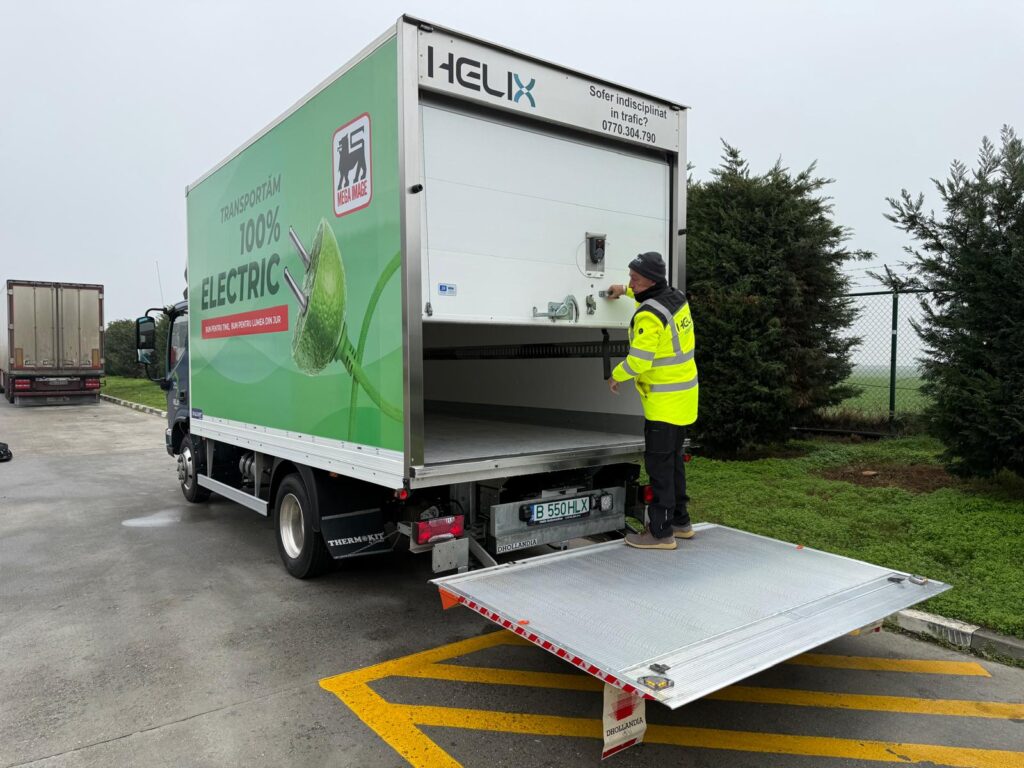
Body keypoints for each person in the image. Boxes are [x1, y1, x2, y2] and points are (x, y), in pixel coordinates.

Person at [607, 251, 698, 550]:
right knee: (673, 463)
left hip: (663, 403)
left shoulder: (649, 315)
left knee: (659, 469)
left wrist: (616, 375)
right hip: (683, 399)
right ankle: (681, 523)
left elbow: (640, 361)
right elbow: (647, 297)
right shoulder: (676, 298)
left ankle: (660, 533)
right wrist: (623, 290)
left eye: (634, 278)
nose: (631, 281)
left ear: (650, 280)